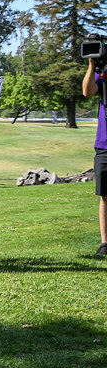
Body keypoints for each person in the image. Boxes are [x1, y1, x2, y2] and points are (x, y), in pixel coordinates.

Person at [82, 55, 107, 257]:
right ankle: (105, 243)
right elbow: (87, 91)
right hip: (104, 144)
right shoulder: (103, 72)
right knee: (105, 195)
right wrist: (92, 65)